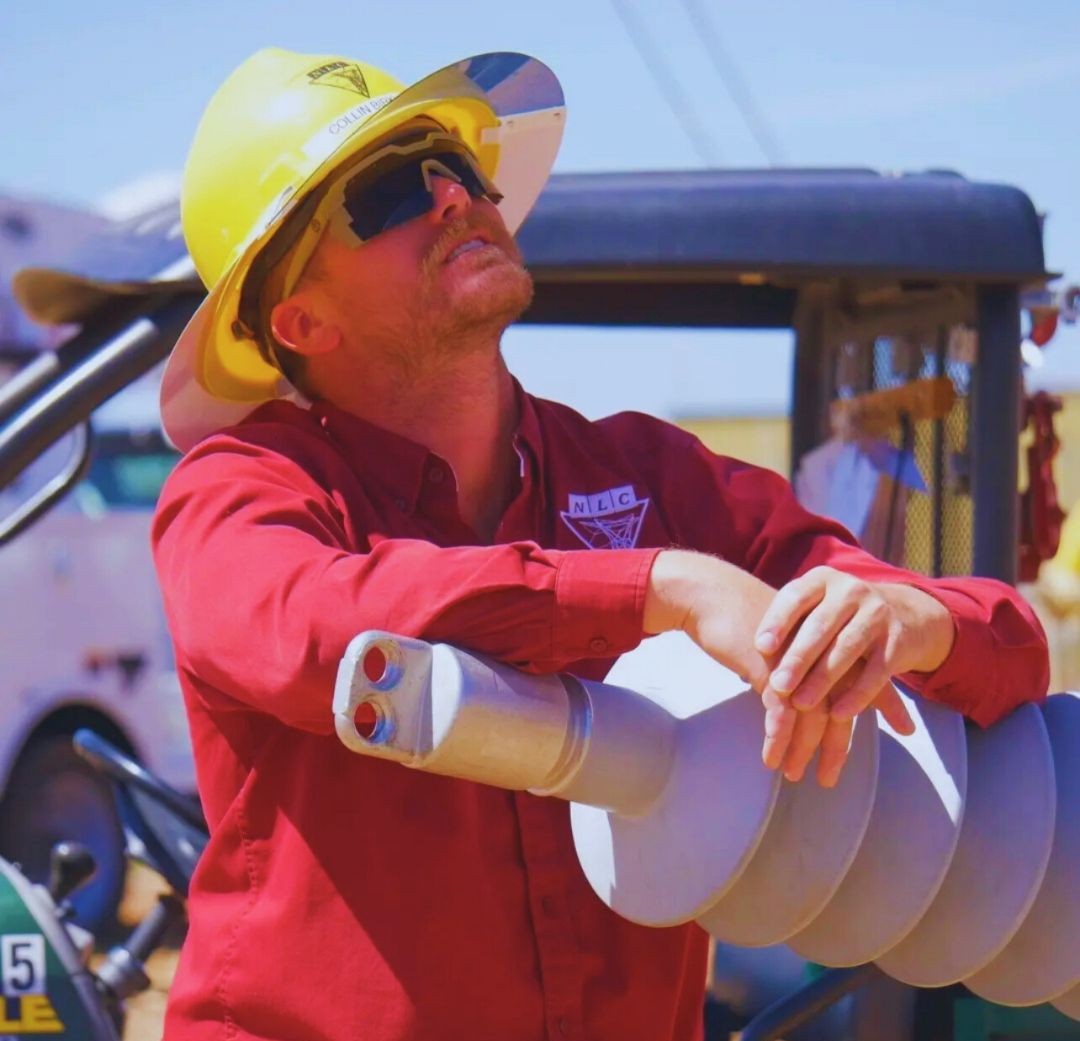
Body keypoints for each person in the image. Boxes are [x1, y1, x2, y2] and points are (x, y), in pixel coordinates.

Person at [152, 46, 1049, 1041]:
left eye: (458, 166)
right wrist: (658, 586)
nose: (455, 198)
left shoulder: (651, 473)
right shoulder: (239, 493)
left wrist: (912, 620)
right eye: (392, 189)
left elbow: (1004, 645)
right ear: (300, 319)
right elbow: (324, 630)